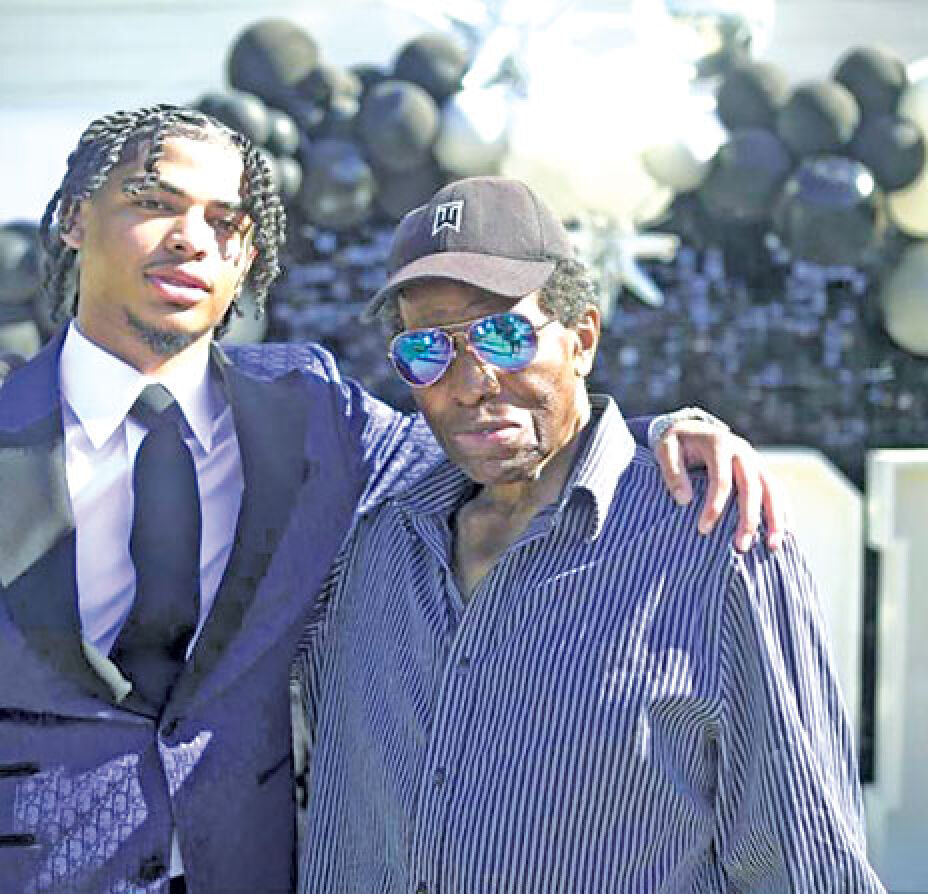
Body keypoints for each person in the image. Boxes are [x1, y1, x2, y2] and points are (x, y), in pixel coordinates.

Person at [0, 105, 781, 894]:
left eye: (227, 222)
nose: (191, 240)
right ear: (75, 219)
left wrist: (654, 437)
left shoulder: (317, 417)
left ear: (250, 258)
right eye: (155, 201)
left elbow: (497, 436)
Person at [295, 176, 882, 893]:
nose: (471, 381)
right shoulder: (368, 542)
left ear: (582, 340)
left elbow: (804, 855)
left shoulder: (710, 539)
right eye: (427, 350)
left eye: (503, 335)